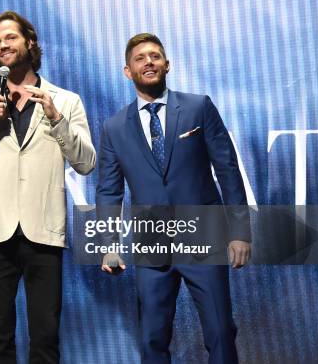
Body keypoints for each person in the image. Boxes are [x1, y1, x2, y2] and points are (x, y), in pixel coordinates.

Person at [0, 11, 96, 363]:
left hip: (43, 231)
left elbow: (86, 163)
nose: (2, 46)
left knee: (45, 336)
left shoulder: (65, 100)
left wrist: (57, 119)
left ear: (30, 42)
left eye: (9, 38)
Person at [96, 33, 251, 364]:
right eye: (140, 58)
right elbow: (109, 190)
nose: (148, 62)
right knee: (152, 339)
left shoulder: (199, 107)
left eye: (155, 56)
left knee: (221, 332)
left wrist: (239, 232)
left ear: (167, 65)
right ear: (127, 71)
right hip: (151, 246)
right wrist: (108, 243)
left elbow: (228, 169)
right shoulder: (113, 128)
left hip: (203, 239)